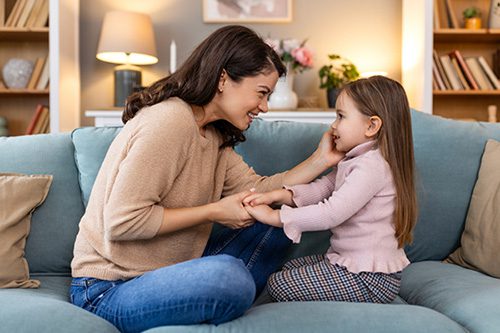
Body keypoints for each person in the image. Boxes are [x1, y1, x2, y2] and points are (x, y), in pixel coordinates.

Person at [69, 25, 343, 332]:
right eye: (261, 93)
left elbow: (264, 191)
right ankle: (226, 293)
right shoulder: (169, 122)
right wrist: (215, 211)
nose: (264, 107)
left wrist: (322, 159)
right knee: (228, 278)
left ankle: (216, 296)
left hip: (175, 273)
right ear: (224, 78)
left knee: (278, 214)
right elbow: (122, 222)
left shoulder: (212, 134)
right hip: (110, 289)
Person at [244, 75, 417, 304]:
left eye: (341, 117)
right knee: (288, 267)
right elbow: (325, 187)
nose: (333, 126)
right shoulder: (357, 159)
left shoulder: (371, 166)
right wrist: (280, 195)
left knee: (279, 284)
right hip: (351, 265)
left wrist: (275, 216)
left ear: (372, 126)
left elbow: (331, 212)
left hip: (369, 278)